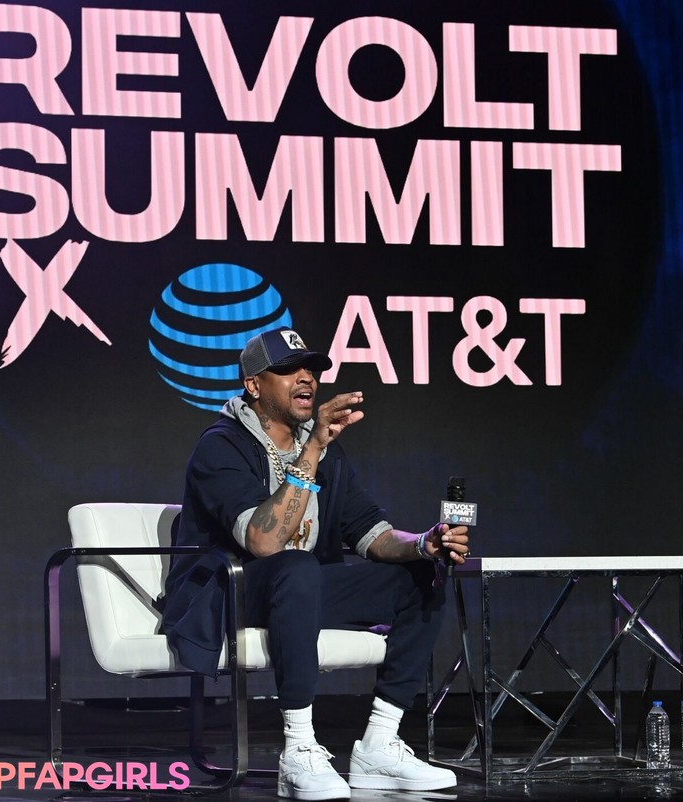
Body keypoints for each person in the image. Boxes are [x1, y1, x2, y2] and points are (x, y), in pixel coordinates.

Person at [162, 326, 469, 801]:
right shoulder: (221, 445)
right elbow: (264, 541)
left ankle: (379, 742)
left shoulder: (325, 451)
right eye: (288, 369)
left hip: (296, 591)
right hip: (226, 595)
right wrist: (310, 453)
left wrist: (425, 543)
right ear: (254, 384)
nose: (306, 377)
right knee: (296, 567)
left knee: (422, 576)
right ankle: (299, 749)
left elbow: (371, 533)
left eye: (311, 369)